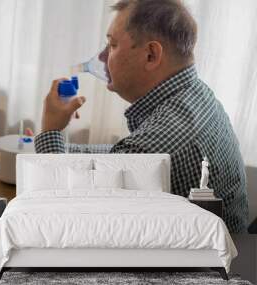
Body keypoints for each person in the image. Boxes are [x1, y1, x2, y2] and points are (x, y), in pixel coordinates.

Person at [34, 0, 248, 233]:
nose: (103, 57)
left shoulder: (151, 148)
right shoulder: (198, 94)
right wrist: (66, 153)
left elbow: (65, 209)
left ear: (151, 55)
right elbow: (120, 158)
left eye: (112, 45)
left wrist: (50, 130)